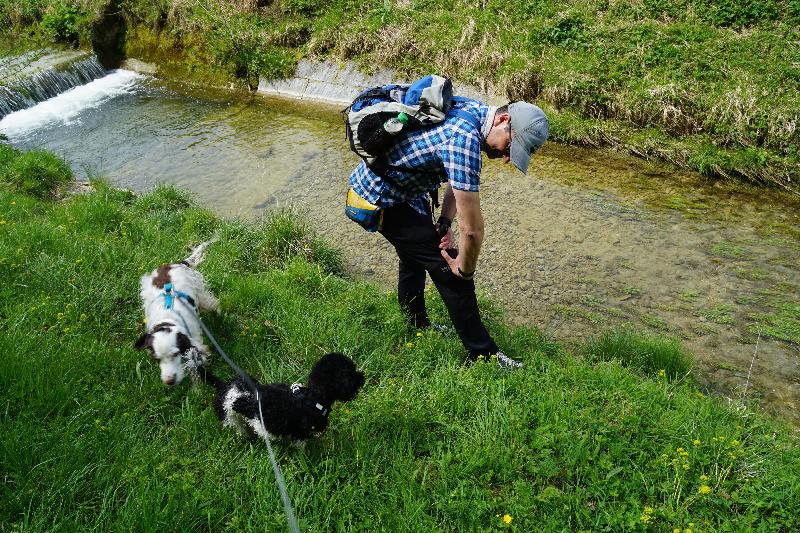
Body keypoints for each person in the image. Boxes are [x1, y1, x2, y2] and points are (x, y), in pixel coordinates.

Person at [346, 96, 549, 369]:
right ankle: (484, 356)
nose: (505, 158)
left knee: (414, 255)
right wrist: (464, 270)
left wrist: (443, 222)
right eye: (510, 147)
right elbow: (473, 231)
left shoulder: (473, 112)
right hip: (377, 197)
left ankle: (416, 324)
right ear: (504, 119)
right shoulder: (464, 138)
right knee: (449, 268)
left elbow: (457, 177)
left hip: (400, 191)